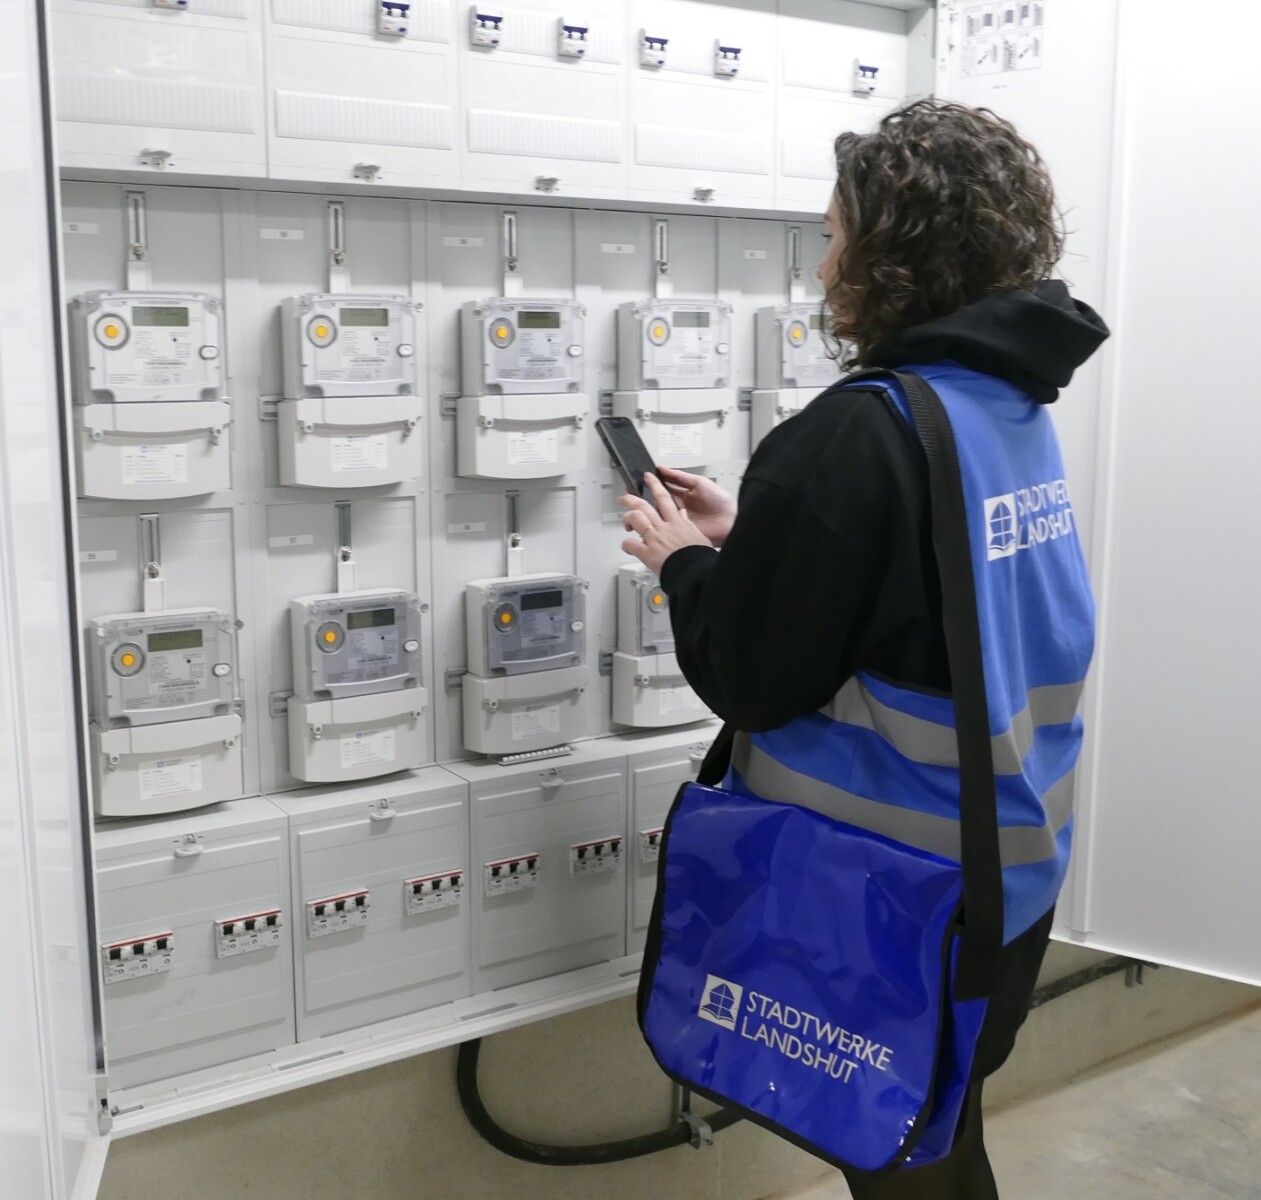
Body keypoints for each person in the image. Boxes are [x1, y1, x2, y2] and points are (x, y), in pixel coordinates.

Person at [618, 99, 1108, 1198]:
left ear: (891, 254)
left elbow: (750, 676)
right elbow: (923, 585)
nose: (824, 262)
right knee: (935, 1139)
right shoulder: (996, 403)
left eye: (835, 233)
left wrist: (682, 566)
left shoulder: (851, 433)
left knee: (904, 1166)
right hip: (1004, 871)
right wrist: (765, 535)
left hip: (892, 899)